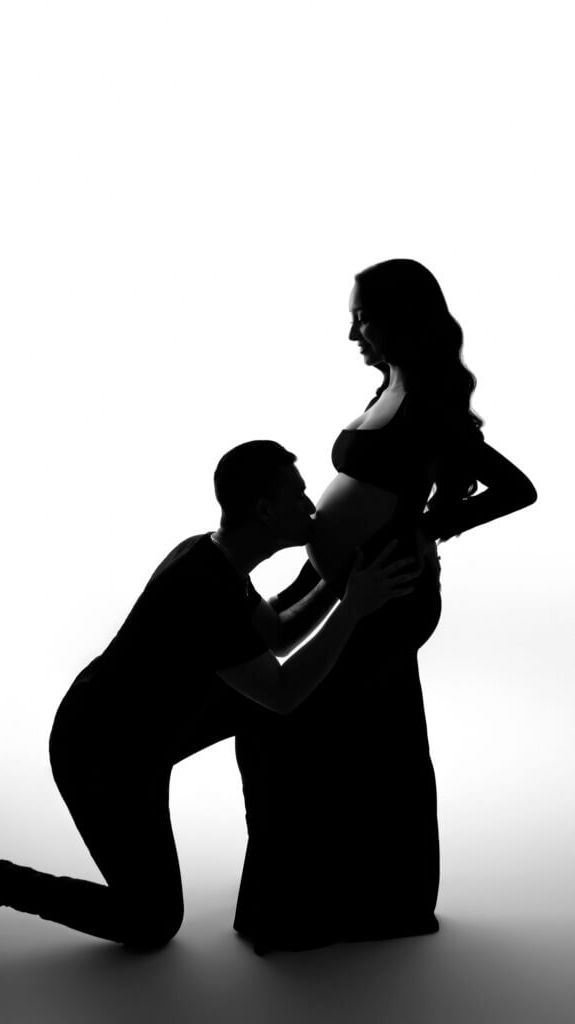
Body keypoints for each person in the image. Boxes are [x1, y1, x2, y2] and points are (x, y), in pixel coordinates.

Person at [0, 440, 420, 949]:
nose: (311, 506)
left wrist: (340, 587)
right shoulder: (203, 586)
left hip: (148, 729)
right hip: (101, 754)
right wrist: (353, 609)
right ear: (265, 511)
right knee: (151, 920)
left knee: (274, 704)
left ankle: (297, 871)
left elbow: (275, 635)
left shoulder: (219, 558)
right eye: (298, 495)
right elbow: (283, 692)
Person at [233, 259, 538, 954]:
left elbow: (516, 489)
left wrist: (430, 528)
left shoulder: (428, 404)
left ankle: (336, 907)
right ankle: (350, 898)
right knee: (353, 743)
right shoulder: (388, 388)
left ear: (401, 318)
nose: (351, 333)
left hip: (388, 598)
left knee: (307, 733)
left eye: (362, 317)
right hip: (355, 591)